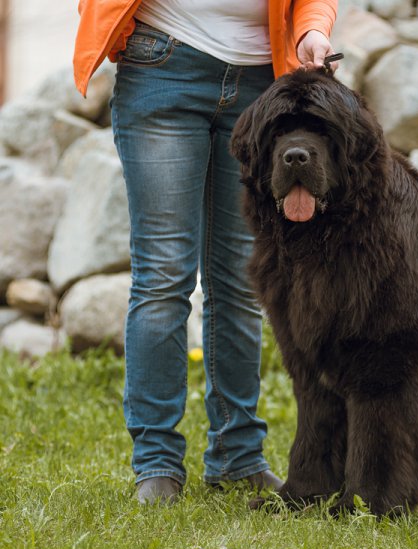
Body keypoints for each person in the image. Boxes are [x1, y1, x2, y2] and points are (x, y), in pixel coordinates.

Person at [73, 0, 339, 505]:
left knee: (241, 281)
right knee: (163, 275)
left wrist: (310, 29)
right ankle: (156, 463)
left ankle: (238, 457)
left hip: (264, 85)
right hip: (162, 64)